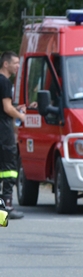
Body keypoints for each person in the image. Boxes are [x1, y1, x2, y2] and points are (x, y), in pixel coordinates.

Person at [0, 51, 25, 219]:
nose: (18, 66)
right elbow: (7, 108)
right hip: (4, 131)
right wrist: (21, 115)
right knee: (9, 169)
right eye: (15, 63)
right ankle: (7, 206)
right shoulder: (5, 82)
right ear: (5, 64)